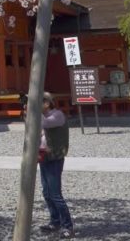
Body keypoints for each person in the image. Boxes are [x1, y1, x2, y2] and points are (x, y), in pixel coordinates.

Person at [38, 92, 74, 238]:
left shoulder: (57, 115)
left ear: (47, 103)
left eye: (40, 102)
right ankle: (55, 221)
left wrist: (34, 111)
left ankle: (68, 227)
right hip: (44, 156)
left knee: (55, 194)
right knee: (46, 193)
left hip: (55, 157)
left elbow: (42, 123)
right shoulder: (44, 115)